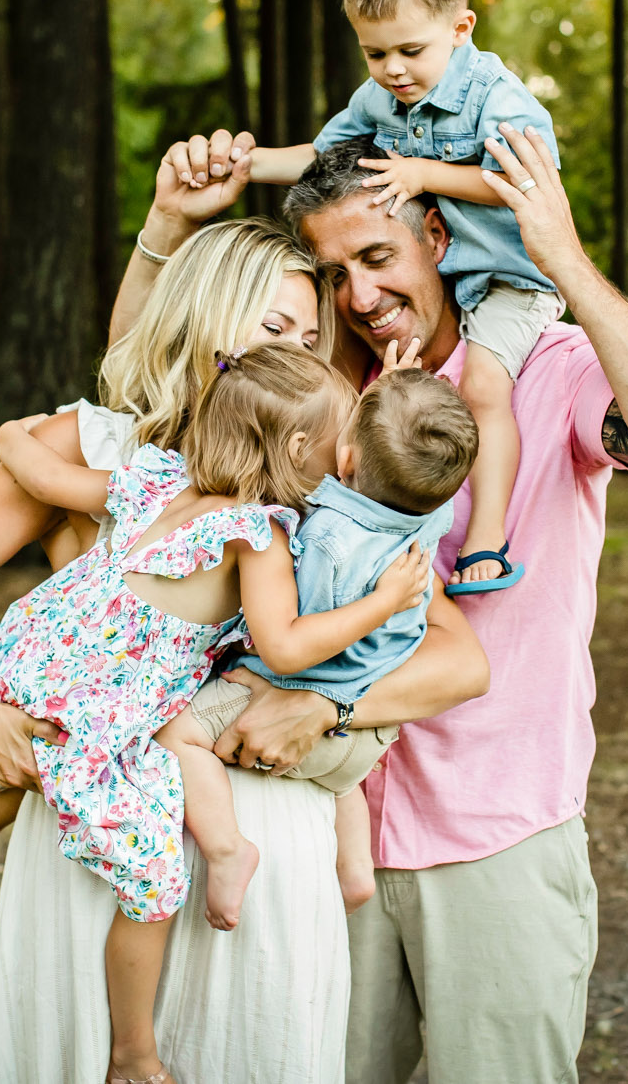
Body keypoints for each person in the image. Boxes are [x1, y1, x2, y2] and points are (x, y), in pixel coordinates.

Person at [0, 159, 492, 1084]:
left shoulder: (317, 489)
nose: (294, 350)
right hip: (97, 826)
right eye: (273, 324)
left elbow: (458, 660)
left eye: (309, 335)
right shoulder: (102, 450)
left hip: (260, 835)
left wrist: (325, 709)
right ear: (203, 316)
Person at [160, 122, 628, 1082]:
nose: (359, 294)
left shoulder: (539, 371)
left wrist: (564, 260)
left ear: (439, 235)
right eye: (334, 270)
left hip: (493, 835)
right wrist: (165, 228)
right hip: (312, 828)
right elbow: (134, 418)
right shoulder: (311, 392)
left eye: (379, 256)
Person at [0, 344, 433, 1084]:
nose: (352, 456)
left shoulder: (154, 479)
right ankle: (133, 1053)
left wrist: (10, 433)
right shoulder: (255, 533)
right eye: (344, 440)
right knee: (153, 881)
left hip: (45, 665)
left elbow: (39, 471)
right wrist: (381, 604)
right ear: (300, 450)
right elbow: (286, 648)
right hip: (105, 714)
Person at [232, 0, 564, 595]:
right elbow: (324, 157)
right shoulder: (381, 96)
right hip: (454, 279)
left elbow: (529, 187)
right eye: (375, 53)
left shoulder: (499, 99)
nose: (394, 70)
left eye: (410, 50)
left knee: (483, 390)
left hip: (510, 280)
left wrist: (423, 174)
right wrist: (247, 163)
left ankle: (486, 540)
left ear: (461, 28)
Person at [189, 363, 479, 912]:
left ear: (346, 459)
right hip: (367, 736)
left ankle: (226, 850)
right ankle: (355, 875)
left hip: (292, 701)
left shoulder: (325, 536)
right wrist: (393, 421)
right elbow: (405, 466)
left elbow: (298, 640)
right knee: (340, 790)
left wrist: (378, 603)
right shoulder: (430, 514)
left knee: (175, 734)